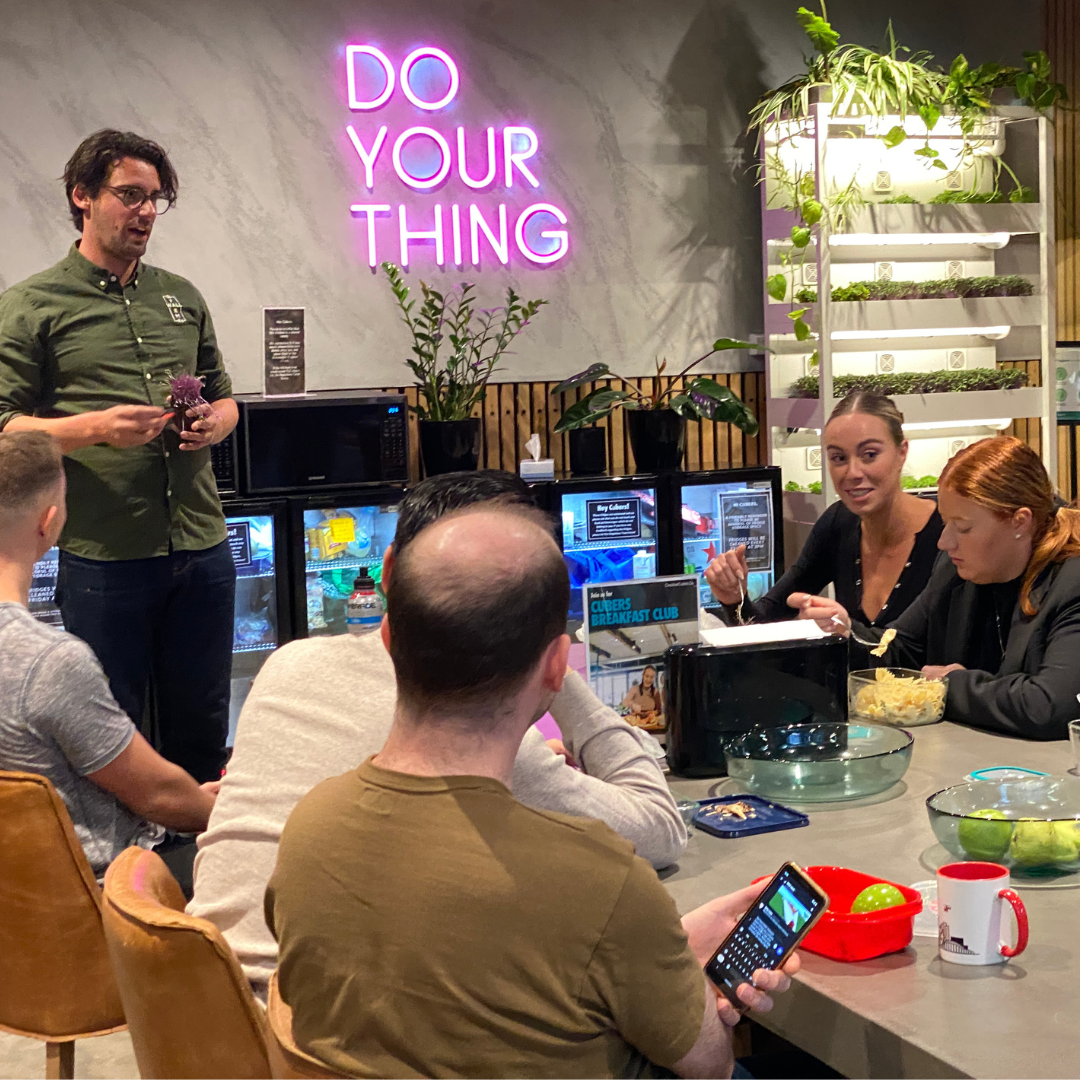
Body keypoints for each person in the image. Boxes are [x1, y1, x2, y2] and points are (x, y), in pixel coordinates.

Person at [266, 504, 797, 1079]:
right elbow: (711, 1068)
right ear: (555, 669)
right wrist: (680, 974)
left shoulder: (309, 829)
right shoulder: (601, 879)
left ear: (389, 637)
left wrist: (655, 950)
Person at [188, 471, 686, 999]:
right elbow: (658, 830)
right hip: (314, 1041)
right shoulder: (477, 745)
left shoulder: (289, 664)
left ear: (388, 575)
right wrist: (546, 662)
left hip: (212, 1011)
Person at [0, 129, 238, 783]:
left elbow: (226, 398)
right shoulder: (31, 307)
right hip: (106, 557)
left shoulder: (181, 296)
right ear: (82, 196)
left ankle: (201, 866)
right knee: (112, 734)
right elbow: (3, 426)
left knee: (204, 726)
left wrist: (214, 424)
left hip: (203, 546)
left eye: (155, 199)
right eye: (129, 195)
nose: (145, 213)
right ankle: (129, 874)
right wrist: (95, 427)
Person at [0, 431, 217, 880]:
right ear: (50, 521)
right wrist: (240, 805)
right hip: (87, 901)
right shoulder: (51, 663)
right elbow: (159, 796)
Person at [799, 436, 1080, 740]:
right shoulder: (954, 570)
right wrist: (845, 634)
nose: (944, 542)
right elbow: (897, 651)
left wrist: (950, 683)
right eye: (946, 523)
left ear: (1020, 522)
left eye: (963, 527)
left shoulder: (1071, 582)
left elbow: (1051, 707)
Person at [706, 393, 942, 630]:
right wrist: (734, 598)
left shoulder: (949, 534)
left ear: (901, 452)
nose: (853, 472)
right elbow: (766, 624)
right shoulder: (838, 523)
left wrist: (849, 632)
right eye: (839, 458)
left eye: (869, 455)